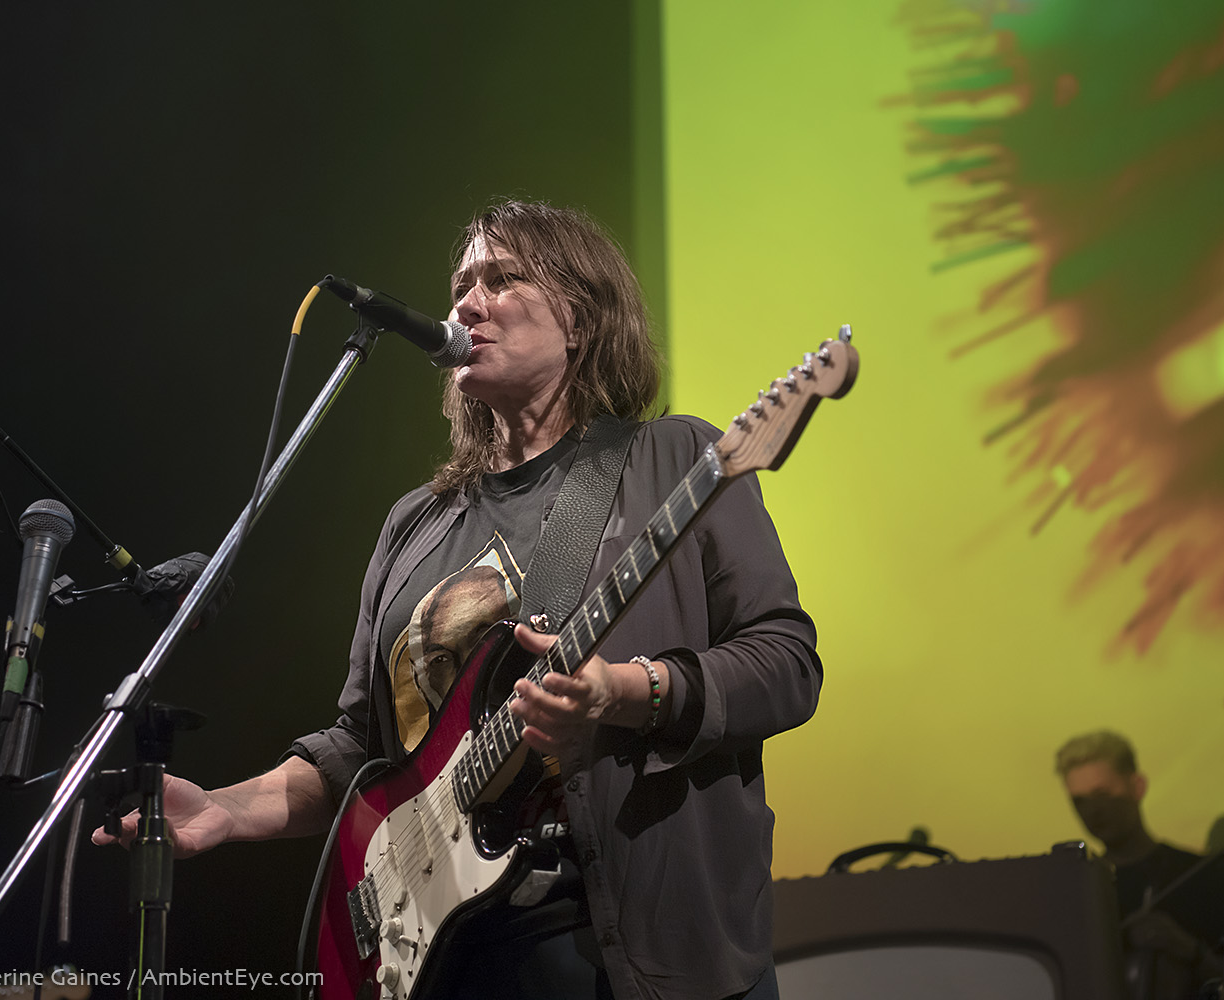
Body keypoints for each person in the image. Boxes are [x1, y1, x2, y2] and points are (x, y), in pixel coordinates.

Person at [97, 199, 820, 1000]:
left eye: (503, 279)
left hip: (624, 949)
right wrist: (228, 810)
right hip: (450, 959)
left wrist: (628, 690)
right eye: (460, 284)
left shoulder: (674, 459)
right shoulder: (416, 524)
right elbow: (362, 751)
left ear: (580, 320)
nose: (467, 304)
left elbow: (786, 663)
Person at [1055, 730, 1219, 1000]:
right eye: (1080, 801)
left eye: (1102, 794)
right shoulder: (1075, 889)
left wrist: (1187, 948)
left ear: (1138, 786)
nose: (1093, 810)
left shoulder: (1198, 874)